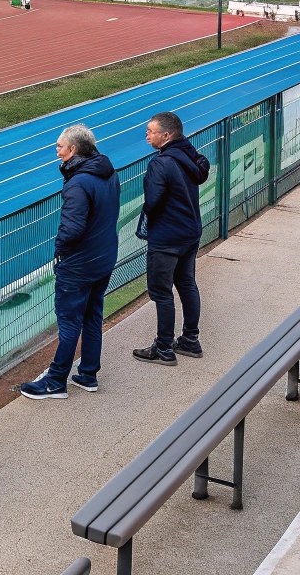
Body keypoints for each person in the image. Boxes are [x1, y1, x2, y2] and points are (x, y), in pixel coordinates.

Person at [19, 125, 120, 399]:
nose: (56, 150)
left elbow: (72, 230)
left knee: (69, 321)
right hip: (104, 256)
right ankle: (88, 374)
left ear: (73, 149)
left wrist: (60, 252)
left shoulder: (77, 184)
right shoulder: (108, 172)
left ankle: (55, 381)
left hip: (80, 264)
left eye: (59, 146)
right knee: (92, 316)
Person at [133, 112, 210, 365]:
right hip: (190, 232)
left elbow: (152, 201)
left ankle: (164, 348)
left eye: (150, 131)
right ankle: (190, 340)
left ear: (167, 135)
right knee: (187, 284)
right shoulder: (189, 155)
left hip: (167, 237)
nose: (147, 135)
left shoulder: (160, 163)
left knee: (161, 292)